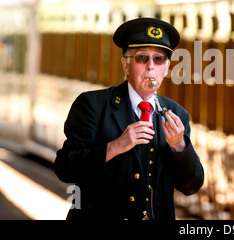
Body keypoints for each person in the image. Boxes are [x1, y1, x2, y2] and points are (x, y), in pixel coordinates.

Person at [54, 17, 204, 220]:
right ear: (125, 64)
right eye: (142, 58)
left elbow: (191, 186)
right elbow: (65, 168)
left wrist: (179, 146)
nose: (151, 67)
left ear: (167, 67)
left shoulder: (178, 115)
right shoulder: (92, 105)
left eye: (158, 59)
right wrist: (114, 146)